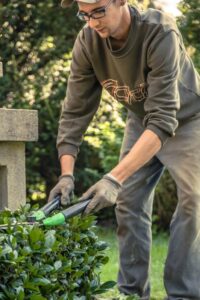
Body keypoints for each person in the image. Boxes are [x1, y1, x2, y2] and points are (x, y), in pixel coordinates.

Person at [48, 0, 200, 298]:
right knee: (128, 202)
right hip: (142, 118)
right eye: (85, 13)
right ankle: (131, 293)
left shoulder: (160, 31)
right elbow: (75, 112)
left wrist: (113, 178)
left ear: (122, 1)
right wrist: (66, 175)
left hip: (187, 118)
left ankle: (183, 294)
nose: (92, 23)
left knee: (194, 199)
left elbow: (163, 118)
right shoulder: (88, 42)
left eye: (99, 11)